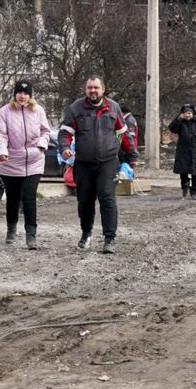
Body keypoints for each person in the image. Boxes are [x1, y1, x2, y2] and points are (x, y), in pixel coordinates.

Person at [58, 76, 137, 255]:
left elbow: (123, 134)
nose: (93, 91)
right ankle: (86, 233)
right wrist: (64, 148)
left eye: (96, 88)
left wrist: (131, 154)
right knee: (84, 201)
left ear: (103, 89)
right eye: (89, 88)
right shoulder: (76, 108)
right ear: (85, 90)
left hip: (108, 161)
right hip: (84, 163)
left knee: (107, 198)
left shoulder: (113, 107)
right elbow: (65, 133)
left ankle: (110, 238)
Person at [0, 80, 50, 250]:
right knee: (13, 197)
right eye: (20, 92)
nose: (23, 96)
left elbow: (46, 131)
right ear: (15, 94)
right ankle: (11, 229)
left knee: (29, 197)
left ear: (30, 95)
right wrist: (1, 151)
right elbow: (0, 133)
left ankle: (31, 235)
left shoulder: (38, 111)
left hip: (34, 159)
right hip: (11, 160)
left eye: (26, 93)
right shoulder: (4, 112)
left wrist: (41, 144)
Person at [169, 104, 196, 199]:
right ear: (182, 114)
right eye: (185, 113)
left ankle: (194, 191)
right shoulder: (180, 123)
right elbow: (172, 128)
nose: (187, 115)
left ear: (192, 114)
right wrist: (178, 119)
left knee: (195, 173)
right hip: (183, 151)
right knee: (183, 172)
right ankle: (185, 188)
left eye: (189, 113)